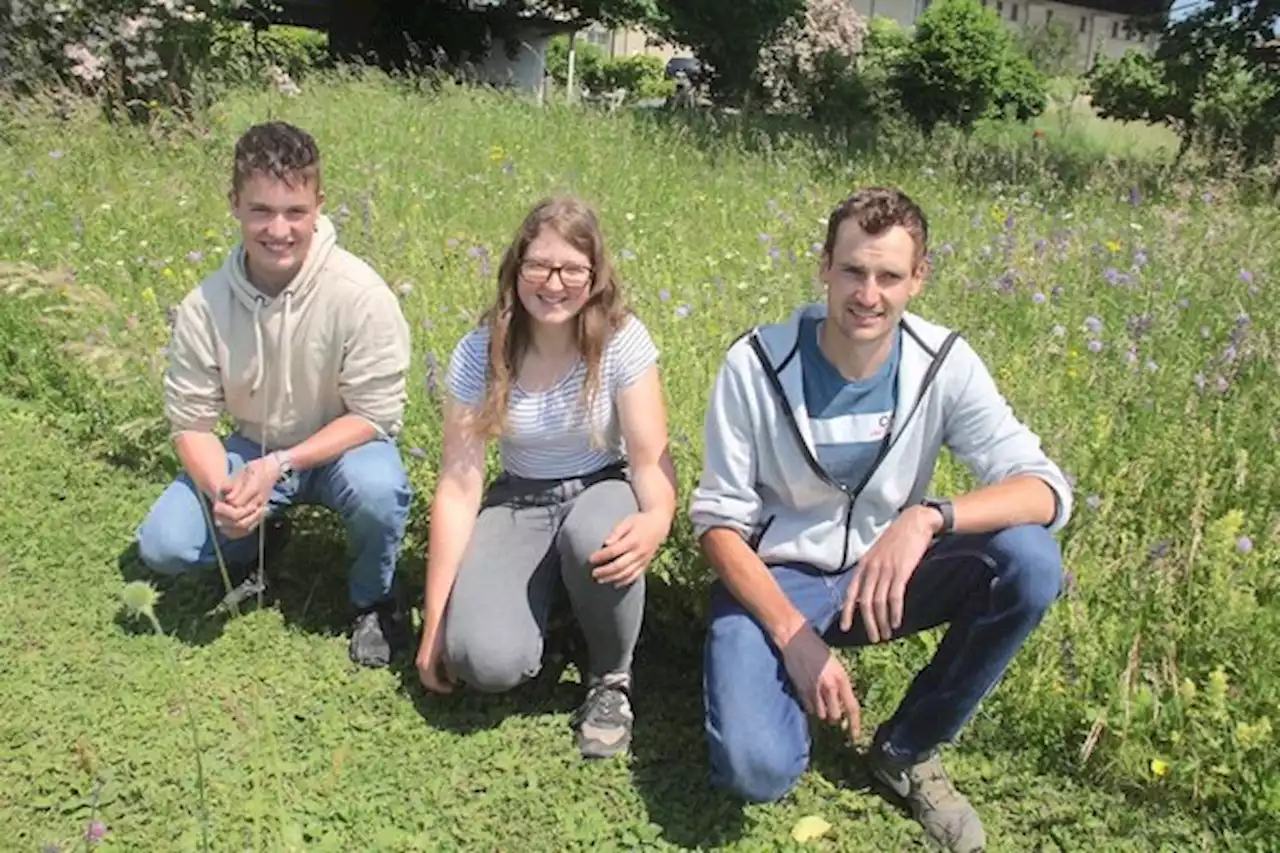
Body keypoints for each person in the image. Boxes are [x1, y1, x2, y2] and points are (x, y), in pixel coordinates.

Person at [689, 187, 1074, 852]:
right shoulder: (754, 364)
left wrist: (929, 516)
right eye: (853, 271)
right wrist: (793, 636)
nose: (868, 294)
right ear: (824, 268)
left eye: (890, 275)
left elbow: (1045, 489)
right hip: (780, 579)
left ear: (918, 278)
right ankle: (775, 684)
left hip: (886, 577)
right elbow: (718, 525)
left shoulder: (944, 363)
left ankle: (907, 746)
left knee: (1031, 562)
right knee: (756, 770)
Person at [134, 121, 414, 668]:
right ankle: (257, 539)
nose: (278, 230)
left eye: (295, 212)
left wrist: (282, 464)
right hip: (250, 447)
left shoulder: (360, 294)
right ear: (234, 204)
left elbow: (375, 415)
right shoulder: (204, 305)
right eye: (261, 210)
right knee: (163, 546)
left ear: (319, 206)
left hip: (343, 448)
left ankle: (374, 598)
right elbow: (191, 422)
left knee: (379, 489)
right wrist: (225, 492)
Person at [415, 196, 677, 761]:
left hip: (601, 487)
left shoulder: (622, 340)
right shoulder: (481, 350)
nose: (553, 283)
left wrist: (657, 518)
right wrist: (435, 620)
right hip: (519, 500)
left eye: (572, 269)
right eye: (539, 265)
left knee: (595, 538)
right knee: (480, 660)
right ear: (516, 270)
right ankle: (554, 616)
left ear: (595, 275)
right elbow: (459, 487)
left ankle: (611, 677)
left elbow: (650, 456)